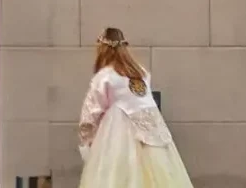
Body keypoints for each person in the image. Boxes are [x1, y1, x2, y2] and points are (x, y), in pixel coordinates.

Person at [78, 27, 195, 188]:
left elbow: (91, 114)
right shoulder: (142, 73)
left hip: (117, 135)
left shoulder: (105, 77)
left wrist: (88, 142)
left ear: (103, 50)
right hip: (153, 135)